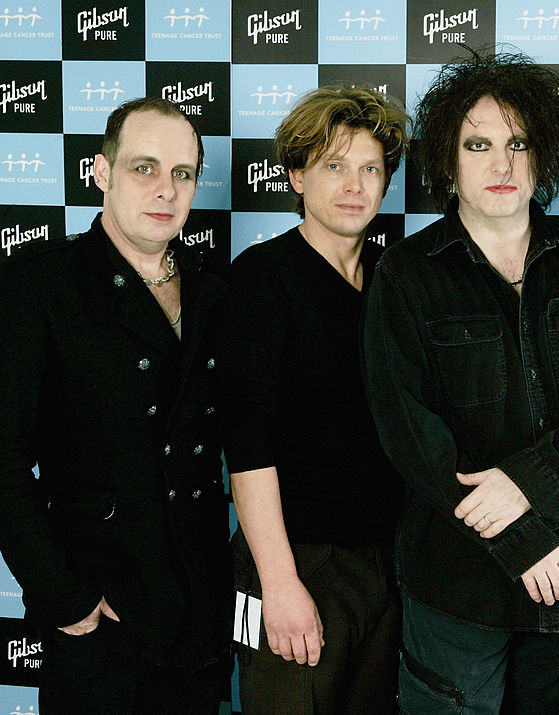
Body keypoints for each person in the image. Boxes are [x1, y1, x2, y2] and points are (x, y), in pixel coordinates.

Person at [361, 51, 559, 714]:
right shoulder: (406, 274)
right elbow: (413, 435)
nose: (501, 163)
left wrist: (532, 484)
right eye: (478, 143)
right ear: (447, 160)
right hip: (457, 585)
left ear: (543, 156)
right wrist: (522, 536)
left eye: (518, 142)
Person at [0, 97, 230, 713]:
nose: (164, 189)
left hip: (199, 608)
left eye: (182, 173)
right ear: (101, 172)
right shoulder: (42, 285)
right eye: (144, 168)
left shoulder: (214, 290)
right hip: (101, 613)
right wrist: (68, 601)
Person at [219, 86, 409, 713]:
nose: (355, 184)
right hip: (295, 560)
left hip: (385, 561)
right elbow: (246, 440)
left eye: (370, 168)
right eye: (334, 165)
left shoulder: (395, 279)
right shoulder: (261, 279)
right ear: (297, 175)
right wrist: (278, 582)